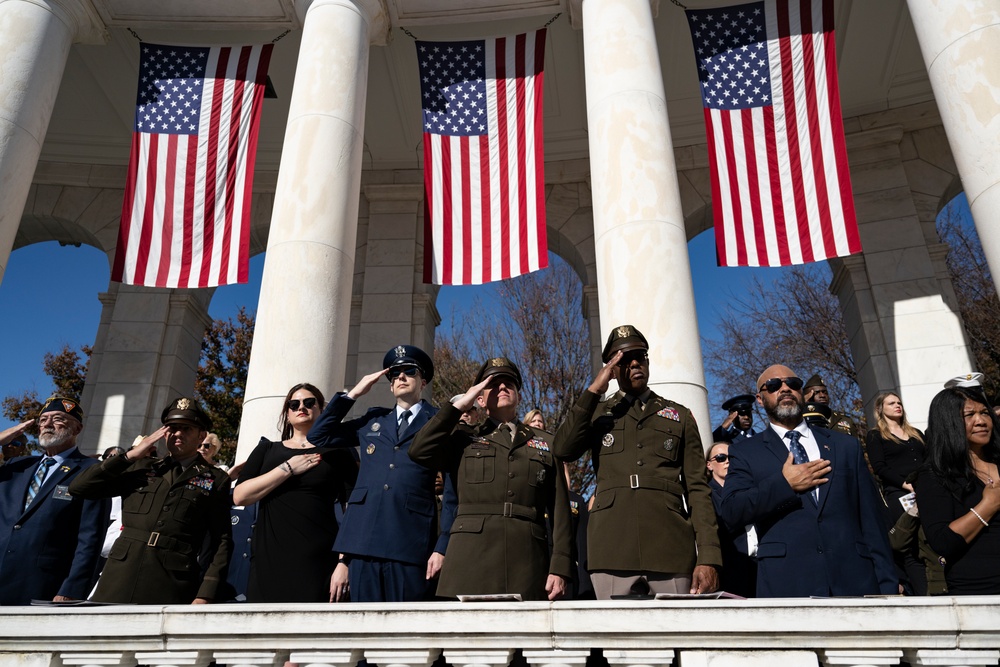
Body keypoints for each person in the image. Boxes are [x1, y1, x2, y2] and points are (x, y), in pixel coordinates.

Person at [553, 325, 721, 598]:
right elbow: (562, 449)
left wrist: (709, 556)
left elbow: (699, 491)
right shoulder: (596, 413)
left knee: (677, 635)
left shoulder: (679, 416)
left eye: (639, 356)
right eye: (624, 359)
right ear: (613, 368)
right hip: (612, 546)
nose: (634, 364)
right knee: (617, 638)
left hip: (670, 546)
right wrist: (595, 389)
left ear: (648, 362)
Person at [720, 365, 897, 597]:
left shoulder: (845, 445)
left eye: (793, 384)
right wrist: (784, 485)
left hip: (855, 582)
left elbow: (871, 521)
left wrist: (888, 585)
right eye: (773, 385)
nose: (784, 389)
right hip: (787, 585)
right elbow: (732, 511)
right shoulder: (745, 452)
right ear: (760, 399)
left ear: (802, 393)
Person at [410, 356, 573, 601]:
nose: (503, 387)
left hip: (527, 561)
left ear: (518, 394)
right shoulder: (463, 438)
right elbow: (419, 450)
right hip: (470, 560)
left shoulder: (546, 442)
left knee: (524, 638)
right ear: (480, 397)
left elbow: (560, 509)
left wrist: (560, 567)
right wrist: (458, 407)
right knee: (468, 638)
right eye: (493, 384)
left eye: (509, 383)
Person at [307, 345, 452, 602]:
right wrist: (353, 394)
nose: (400, 377)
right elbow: (319, 436)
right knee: (364, 631)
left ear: (423, 381)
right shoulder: (374, 420)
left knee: (407, 633)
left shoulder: (438, 420)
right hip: (363, 544)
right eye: (394, 374)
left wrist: (442, 547)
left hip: (410, 542)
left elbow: (452, 490)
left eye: (409, 371)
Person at [69, 397, 232, 604]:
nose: (178, 433)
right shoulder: (141, 467)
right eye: (172, 428)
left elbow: (221, 540)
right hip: (120, 577)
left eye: (186, 428)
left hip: (172, 582)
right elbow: (79, 488)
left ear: (201, 436)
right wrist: (130, 456)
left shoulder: (215, 479)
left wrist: (206, 593)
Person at [232, 383, 356, 602]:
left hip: (319, 560)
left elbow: (353, 510)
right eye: (294, 404)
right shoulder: (267, 450)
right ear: (287, 414)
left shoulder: (339, 452)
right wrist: (287, 468)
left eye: (310, 403)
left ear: (321, 410)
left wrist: (344, 562)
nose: (302, 407)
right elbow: (241, 495)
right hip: (268, 560)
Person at [0, 398, 108, 605]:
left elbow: (90, 538)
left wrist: (73, 589)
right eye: (43, 420)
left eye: (57, 419)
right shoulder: (15, 466)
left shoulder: (91, 470)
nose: (47, 425)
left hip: (42, 586)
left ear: (77, 428)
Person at [913, 386, 1000, 594]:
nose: (981, 421)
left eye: (984, 412)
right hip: (981, 594)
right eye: (969, 415)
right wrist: (988, 505)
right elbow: (942, 541)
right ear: (948, 422)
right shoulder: (935, 475)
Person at [866, 391, 927, 594]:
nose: (897, 406)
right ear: (880, 409)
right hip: (900, 495)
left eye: (899, 402)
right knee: (909, 547)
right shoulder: (876, 435)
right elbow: (879, 467)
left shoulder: (917, 433)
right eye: (891, 403)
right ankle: (918, 593)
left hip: (927, 492)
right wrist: (906, 484)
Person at [706, 442, 756, 598]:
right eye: (721, 458)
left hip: (757, 566)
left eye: (731, 457)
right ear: (709, 465)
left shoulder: (752, 488)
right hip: (728, 567)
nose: (727, 461)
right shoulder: (706, 495)